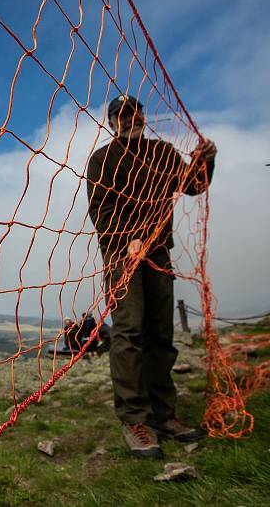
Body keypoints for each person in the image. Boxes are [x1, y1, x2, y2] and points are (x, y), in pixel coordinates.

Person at [86, 94, 217, 458]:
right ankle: (134, 420)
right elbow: (101, 208)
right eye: (122, 115)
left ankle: (164, 415)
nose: (131, 118)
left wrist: (207, 159)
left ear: (143, 116)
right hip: (121, 254)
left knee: (161, 331)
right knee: (129, 332)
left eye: (136, 112)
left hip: (159, 253)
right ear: (112, 121)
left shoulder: (164, 153)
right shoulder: (102, 159)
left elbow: (194, 184)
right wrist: (129, 238)